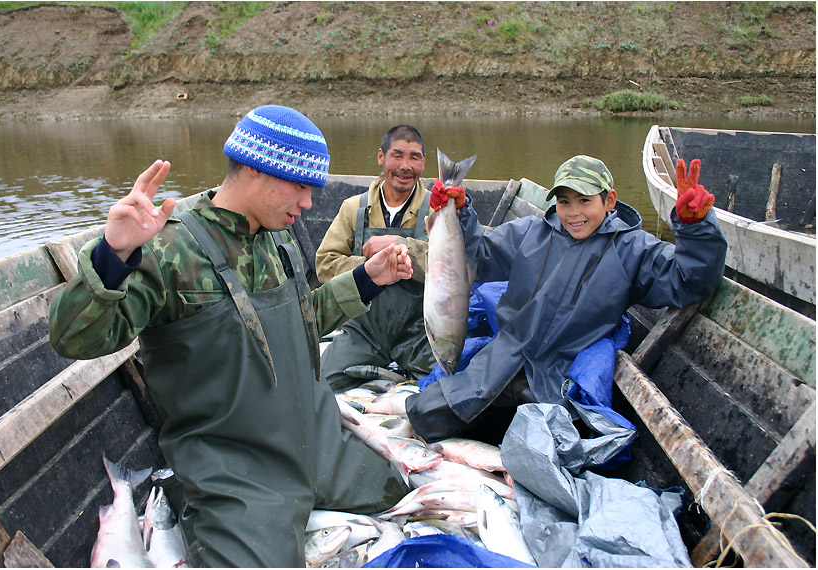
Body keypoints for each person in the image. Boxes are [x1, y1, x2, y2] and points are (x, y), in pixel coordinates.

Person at [49, 105, 413, 567]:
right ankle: (189, 500)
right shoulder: (168, 247)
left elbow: (298, 329)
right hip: (236, 466)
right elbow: (75, 341)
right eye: (301, 187)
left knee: (399, 490)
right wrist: (112, 255)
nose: (308, 205)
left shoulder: (279, 235)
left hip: (312, 437)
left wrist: (366, 279)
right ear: (259, 170)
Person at [405, 154, 727, 443]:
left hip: (556, 381)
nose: (573, 213)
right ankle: (491, 422)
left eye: (584, 201)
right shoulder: (532, 232)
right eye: (564, 201)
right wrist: (460, 213)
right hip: (500, 363)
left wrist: (695, 228)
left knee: (547, 459)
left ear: (609, 200)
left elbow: (689, 281)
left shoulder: (634, 250)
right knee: (423, 415)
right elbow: (481, 257)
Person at [315, 124, 436, 391]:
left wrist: (404, 248)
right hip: (364, 329)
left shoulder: (437, 210)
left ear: (423, 163)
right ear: (381, 157)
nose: (405, 166)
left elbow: (454, 265)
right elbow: (325, 264)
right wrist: (372, 268)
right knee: (320, 387)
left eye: (414, 157)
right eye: (397, 155)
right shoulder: (353, 208)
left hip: (420, 331)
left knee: (444, 392)